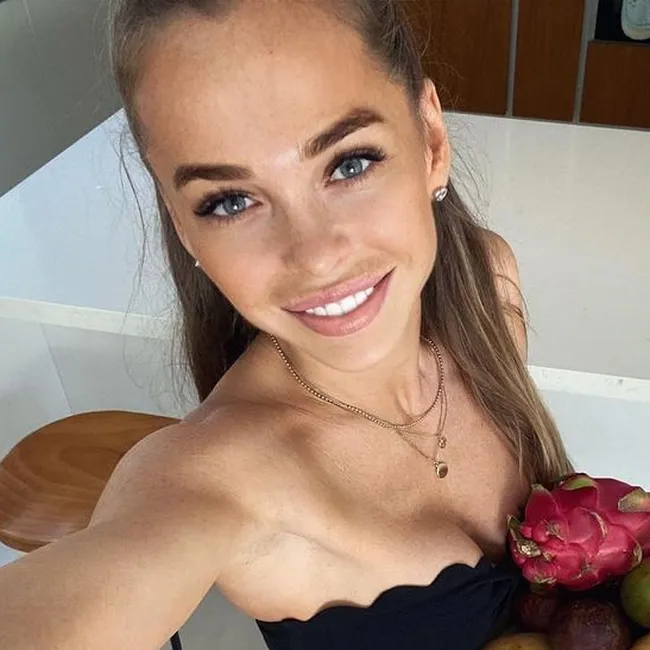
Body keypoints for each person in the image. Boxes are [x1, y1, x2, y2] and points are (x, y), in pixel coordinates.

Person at [0, 1, 574, 648]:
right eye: (230, 201)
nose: (316, 256)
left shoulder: (487, 288)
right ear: (181, 224)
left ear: (431, 141)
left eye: (349, 163)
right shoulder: (220, 478)